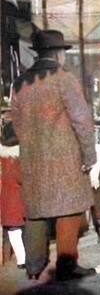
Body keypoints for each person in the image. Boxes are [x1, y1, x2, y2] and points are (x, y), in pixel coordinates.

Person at [11, 30, 97, 281]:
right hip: (65, 156)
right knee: (68, 211)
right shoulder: (64, 78)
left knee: (36, 210)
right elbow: (82, 121)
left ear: (38, 53)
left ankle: (34, 266)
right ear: (59, 53)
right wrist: (89, 155)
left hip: (32, 156)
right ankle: (66, 265)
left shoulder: (20, 82)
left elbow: (15, 122)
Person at [0, 107, 26, 269]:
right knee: (23, 228)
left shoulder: (3, 158)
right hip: (20, 197)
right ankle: (24, 259)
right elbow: (22, 178)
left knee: (13, 229)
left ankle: (21, 259)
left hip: (6, 198)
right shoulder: (18, 158)